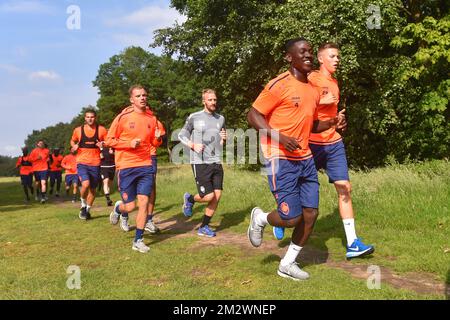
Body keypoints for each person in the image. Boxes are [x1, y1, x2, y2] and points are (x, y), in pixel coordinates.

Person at [246, 38, 345, 281]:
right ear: (290, 58)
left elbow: (311, 124)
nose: (309, 56)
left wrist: (332, 122)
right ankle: (260, 218)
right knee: (291, 218)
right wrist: (279, 137)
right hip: (279, 157)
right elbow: (253, 115)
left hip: (305, 158)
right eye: (303, 52)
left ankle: (287, 264)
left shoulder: (312, 89)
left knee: (311, 214)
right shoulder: (279, 84)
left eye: (311, 52)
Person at [309, 42, 373, 259]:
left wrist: (339, 122)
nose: (337, 59)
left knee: (344, 187)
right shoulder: (311, 79)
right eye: (332, 56)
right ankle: (281, 215)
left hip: (333, 142)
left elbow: (332, 115)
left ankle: (353, 243)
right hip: (311, 143)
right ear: (321, 59)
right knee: (299, 189)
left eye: (338, 56)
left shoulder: (335, 82)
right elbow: (303, 111)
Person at [106, 85, 162, 253]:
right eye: (138, 96)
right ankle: (118, 208)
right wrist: (128, 144)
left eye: (144, 95)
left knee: (144, 202)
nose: (142, 98)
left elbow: (153, 143)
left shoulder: (152, 119)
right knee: (130, 207)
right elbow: (108, 140)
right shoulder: (122, 117)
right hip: (126, 166)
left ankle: (138, 240)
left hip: (145, 165)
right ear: (132, 99)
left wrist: (158, 139)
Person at [179, 89, 227, 238]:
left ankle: (204, 226)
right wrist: (192, 145)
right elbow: (181, 135)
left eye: (214, 100)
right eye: (210, 100)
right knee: (208, 196)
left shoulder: (221, 119)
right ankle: (190, 199)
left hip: (216, 161)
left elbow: (219, 144)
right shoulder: (194, 117)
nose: (213, 102)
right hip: (199, 162)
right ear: (204, 101)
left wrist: (223, 140)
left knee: (217, 196)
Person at [70, 109, 107, 220]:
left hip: (95, 163)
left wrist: (103, 144)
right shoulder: (78, 130)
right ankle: (83, 204)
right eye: (88, 117)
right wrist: (74, 146)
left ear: (95, 118)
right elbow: (72, 141)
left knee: (92, 190)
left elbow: (109, 141)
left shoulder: (101, 130)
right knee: (85, 184)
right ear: (85, 118)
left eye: (92, 117)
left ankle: (87, 210)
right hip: (82, 162)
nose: (90, 119)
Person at [145, 119, 166, 234]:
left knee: (151, 188)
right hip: (132, 158)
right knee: (133, 192)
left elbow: (161, 140)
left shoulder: (156, 122)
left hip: (150, 156)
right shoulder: (128, 118)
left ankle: (148, 220)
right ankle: (122, 211)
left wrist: (158, 138)